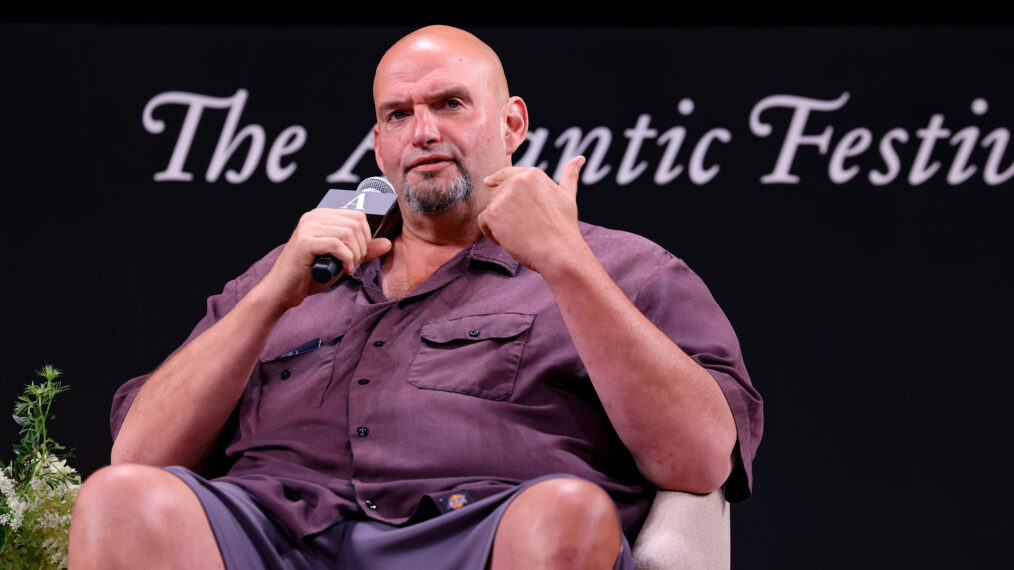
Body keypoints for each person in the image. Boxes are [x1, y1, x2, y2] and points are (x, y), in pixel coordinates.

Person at [68, 25, 762, 569]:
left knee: (566, 513)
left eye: (450, 104)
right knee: (120, 498)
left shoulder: (625, 268)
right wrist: (273, 295)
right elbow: (138, 458)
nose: (423, 131)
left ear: (513, 124)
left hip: (475, 533)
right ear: (378, 144)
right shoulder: (293, 273)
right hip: (277, 535)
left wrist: (564, 262)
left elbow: (699, 460)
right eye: (398, 115)